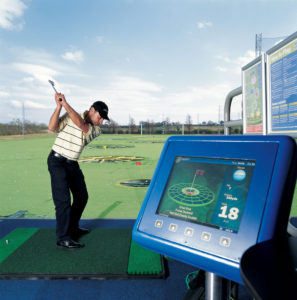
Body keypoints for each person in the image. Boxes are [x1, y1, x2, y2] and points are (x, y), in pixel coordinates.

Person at [47, 92, 109, 249]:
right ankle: (63, 237)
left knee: (82, 196)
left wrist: (66, 104)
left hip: (72, 164)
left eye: (103, 119)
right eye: (100, 117)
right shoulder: (71, 114)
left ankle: (72, 227)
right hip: (57, 161)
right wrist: (59, 106)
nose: (101, 121)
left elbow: (82, 125)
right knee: (63, 201)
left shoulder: (95, 130)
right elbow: (52, 127)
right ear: (92, 110)